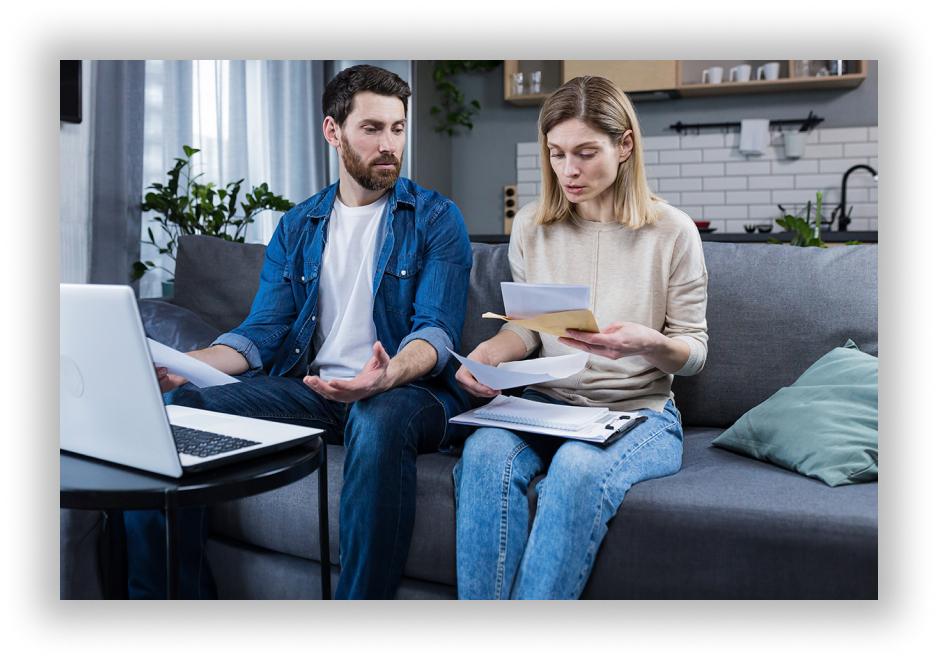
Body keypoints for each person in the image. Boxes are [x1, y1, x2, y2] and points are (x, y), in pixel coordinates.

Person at [124, 64, 473, 599]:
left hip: (410, 392)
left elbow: (436, 331)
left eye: (397, 128)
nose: (389, 144)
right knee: (174, 414)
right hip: (315, 393)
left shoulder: (435, 218)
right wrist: (179, 366)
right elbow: (263, 331)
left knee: (378, 419)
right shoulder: (298, 225)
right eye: (372, 128)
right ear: (333, 132)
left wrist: (386, 376)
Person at [453, 75, 708, 600]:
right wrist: (487, 359)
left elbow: (694, 351)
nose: (569, 170)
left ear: (625, 146)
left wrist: (647, 343)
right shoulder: (532, 227)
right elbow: (527, 328)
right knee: (482, 456)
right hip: (549, 407)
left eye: (586, 153)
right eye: (556, 153)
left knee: (574, 469)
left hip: (640, 412)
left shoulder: (673, 232)